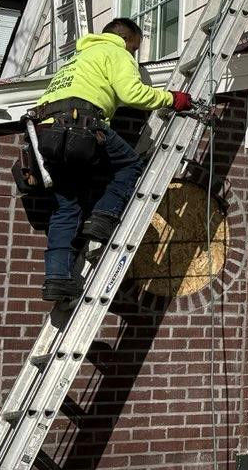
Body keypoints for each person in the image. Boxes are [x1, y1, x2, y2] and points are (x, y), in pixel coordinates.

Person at [32, 17, 190, 312]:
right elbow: (132, 93)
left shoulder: (77, 59)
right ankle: (101, 221)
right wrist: (172, 98)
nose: (134, 55)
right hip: (80, 127)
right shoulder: (116, 52)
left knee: (66, 205)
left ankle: (57, 278)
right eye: (135, 48)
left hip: (48, 134)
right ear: (127, 39)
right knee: (129, 165)